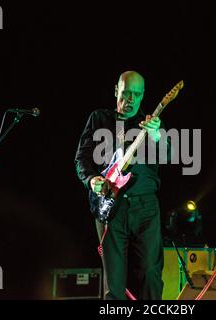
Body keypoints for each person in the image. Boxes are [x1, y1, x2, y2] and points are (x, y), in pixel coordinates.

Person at [75, 70, 171, 300]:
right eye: (125, 93)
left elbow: (168, 156)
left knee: (150, 273)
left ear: (143, 95)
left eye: (136, 94)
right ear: (116, 90)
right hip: (110, 205)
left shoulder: (151, 124)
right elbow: (82, 157)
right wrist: (91, 180)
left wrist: (157, 135)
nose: (130, 100)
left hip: (145, 207)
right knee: (114, 282)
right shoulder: (98, 118)